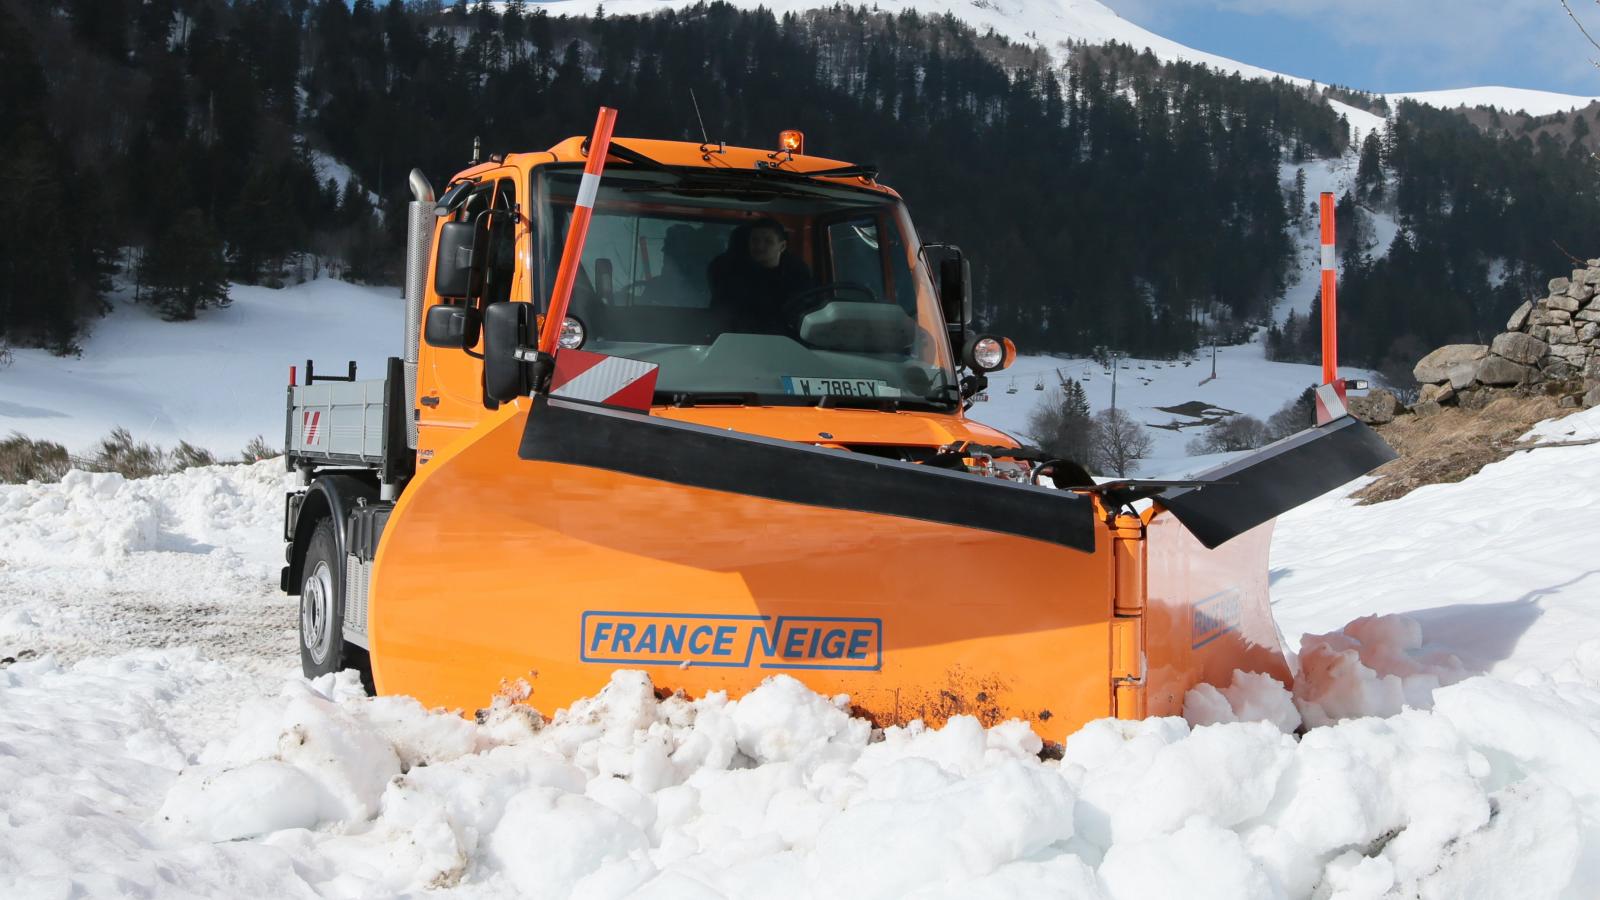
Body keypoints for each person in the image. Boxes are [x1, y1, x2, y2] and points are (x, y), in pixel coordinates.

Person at [708, 218, 814, 334]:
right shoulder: (733, 278)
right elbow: (723, 317)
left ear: (782, 246)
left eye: (768, 241)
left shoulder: (797, 276)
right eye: (755, 240)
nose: (759, 246)